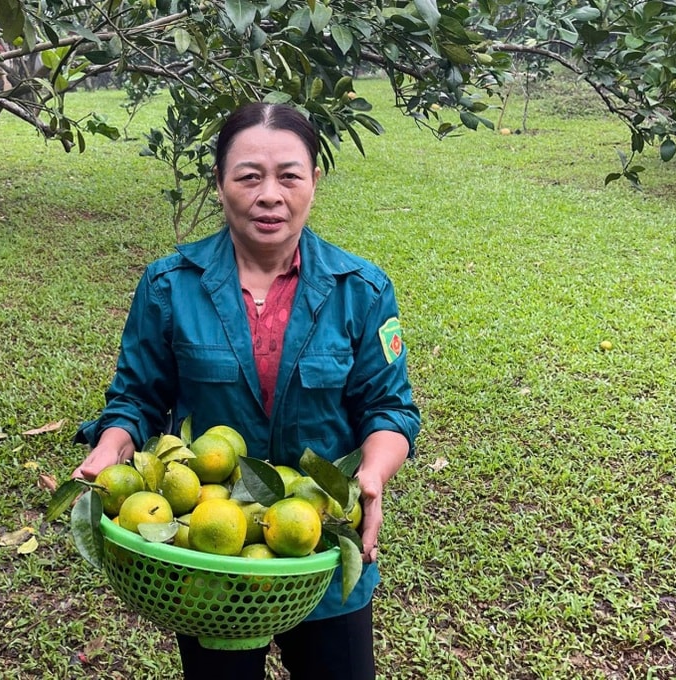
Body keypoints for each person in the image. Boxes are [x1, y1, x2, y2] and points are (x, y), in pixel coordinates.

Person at [73, 101, 420, 679]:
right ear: (219, 183)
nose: (270, 195)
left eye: (289, 176)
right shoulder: (168, 286)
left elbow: (388, 408)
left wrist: (372, 476)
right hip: (211, 551)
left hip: (320, 546)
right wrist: (110, 448)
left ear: (314, 182)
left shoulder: (362, 290)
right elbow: (136, 400)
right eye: (249, 176)